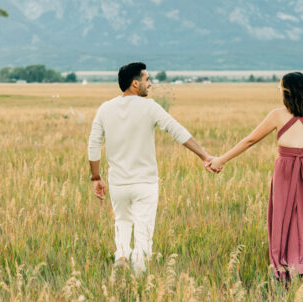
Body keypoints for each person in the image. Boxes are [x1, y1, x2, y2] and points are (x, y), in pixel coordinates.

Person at [207, 72, 303, 282]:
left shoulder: (277, 115)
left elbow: (250, 140)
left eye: (280, 89)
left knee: (285, 218)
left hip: (285, 171)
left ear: (287, 92)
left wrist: (221, 159)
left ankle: (288, 264)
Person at [88, 61, 215, 274]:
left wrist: (96, 177)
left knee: (122, 221)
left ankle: (121, 255)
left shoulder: (105, 109)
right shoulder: (150, 107)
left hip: (118, 183)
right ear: (135, 83)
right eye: (147, 80)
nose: (150, 84)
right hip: (145, 183)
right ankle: (139, 276)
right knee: (144, 231)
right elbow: (177, 130)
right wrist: (204, 156)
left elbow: (93, 144)